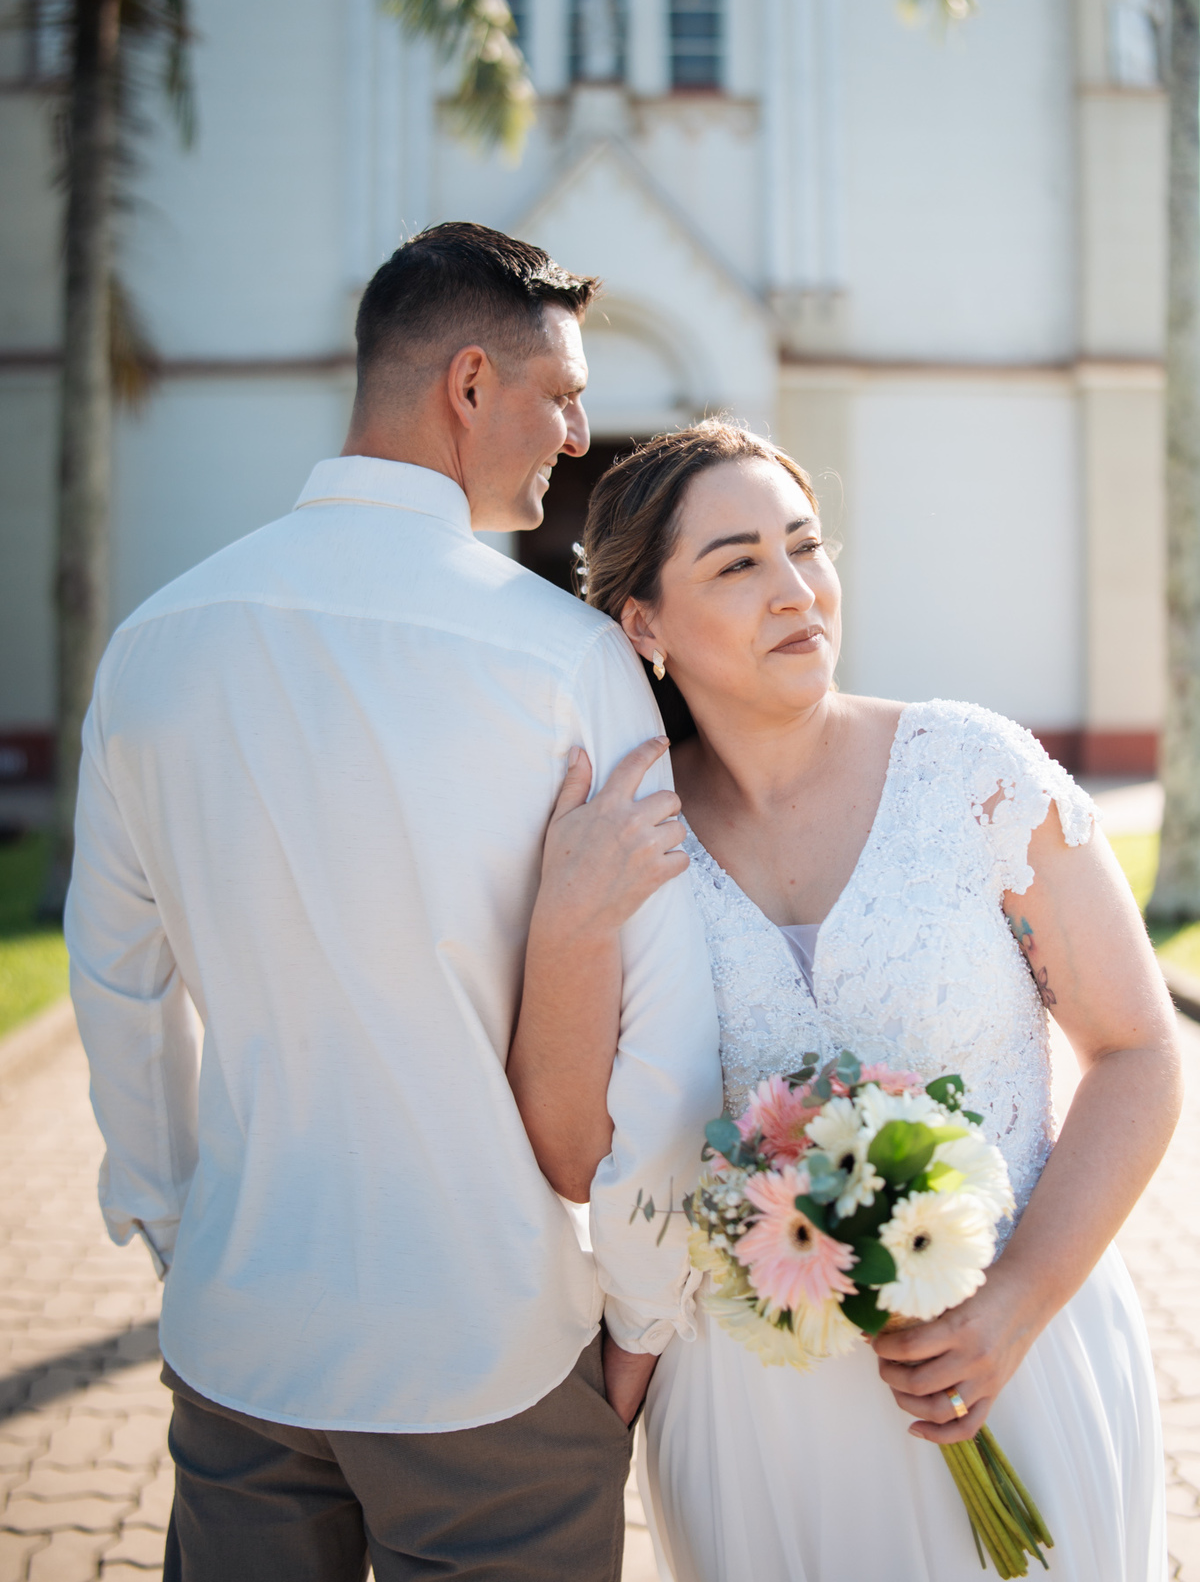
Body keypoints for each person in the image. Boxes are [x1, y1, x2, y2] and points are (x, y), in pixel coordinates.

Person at [64, 224, 722, 1581]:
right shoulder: (568, 661)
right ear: (469, 385)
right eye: (561, 393)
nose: (581, 428)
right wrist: (644, 1316)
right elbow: (661, 1034)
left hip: (239, 1345)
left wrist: (193, 1241)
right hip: (487, 1356)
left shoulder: (156, 643)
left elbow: (117, 987)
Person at [512, 416, 1181, 1581]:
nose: (797, 590)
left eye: (805, 545)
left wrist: (1016, 1304)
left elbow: (1136, 1051)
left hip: (1018, 1360)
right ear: (644, 624)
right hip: (756, 1416)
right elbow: (573, 1149)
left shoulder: (974, 775)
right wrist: (570, 918)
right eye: (737, 563)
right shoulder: (628, 835)